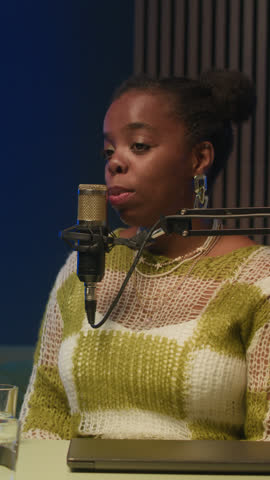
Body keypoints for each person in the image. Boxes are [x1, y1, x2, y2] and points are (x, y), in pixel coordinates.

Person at [20, 70, 270, 441]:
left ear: (199, 158)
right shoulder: (84, 266)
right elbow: (43, 414)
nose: (114, 163)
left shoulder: (257, 278)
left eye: (138, 146)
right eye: (109, 150)